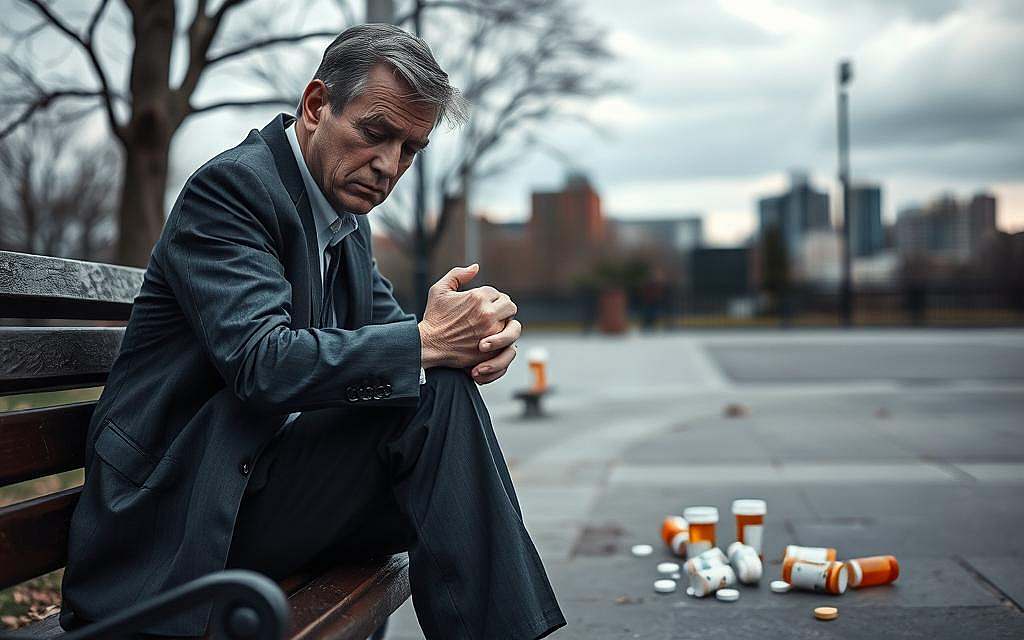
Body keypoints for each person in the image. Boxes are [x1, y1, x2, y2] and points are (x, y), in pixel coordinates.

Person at [58, 23, 565, 640]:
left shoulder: (344, 223)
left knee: (438, 390)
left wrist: (469, 342)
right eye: (375, 134)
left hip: (256, 489)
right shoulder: (234, 190)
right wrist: (428, 343)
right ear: (317, 105)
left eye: (409, 149)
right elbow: (261, 364)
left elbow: (395, 344)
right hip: (176, 521)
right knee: (429, 390)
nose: (387, 166)